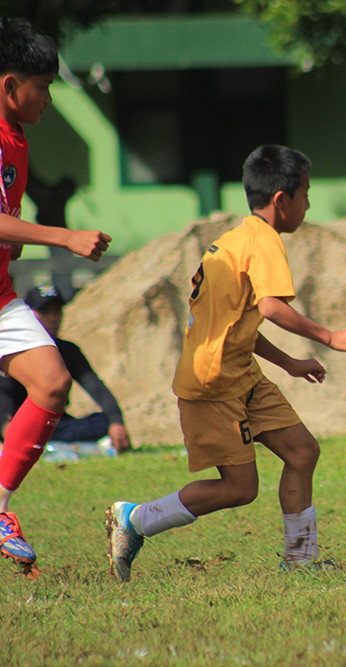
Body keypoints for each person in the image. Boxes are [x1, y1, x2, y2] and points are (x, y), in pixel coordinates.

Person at [105, 144, 346, 582]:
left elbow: (239, 320)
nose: (308, 205)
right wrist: (328, 336)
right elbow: (270, 308)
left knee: (302, 451)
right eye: (305, 194)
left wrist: (288, 363)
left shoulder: (236, 239)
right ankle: (134, 520)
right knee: (240, 489)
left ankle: (300, 559)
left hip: (241, 371)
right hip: (213, 383)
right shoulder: (263, 242)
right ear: (282, 200)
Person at [0, 18, 112, 576]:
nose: (47, 98)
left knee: (52, 382)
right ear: (8, 85)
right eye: (41, 87)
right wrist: (64, 235)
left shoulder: (16, 136)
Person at [0, 284, 131, 453]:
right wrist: (6, 426)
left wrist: (116, 420)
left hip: (54, 424)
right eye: (45, 312)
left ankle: (53, 447)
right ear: (27, 316)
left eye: (57, 311)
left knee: (103, 422)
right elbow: (3, 394)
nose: (53, 318)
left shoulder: (68, 350)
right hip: (17, 422)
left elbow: (95, 386)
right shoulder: (10, 350)